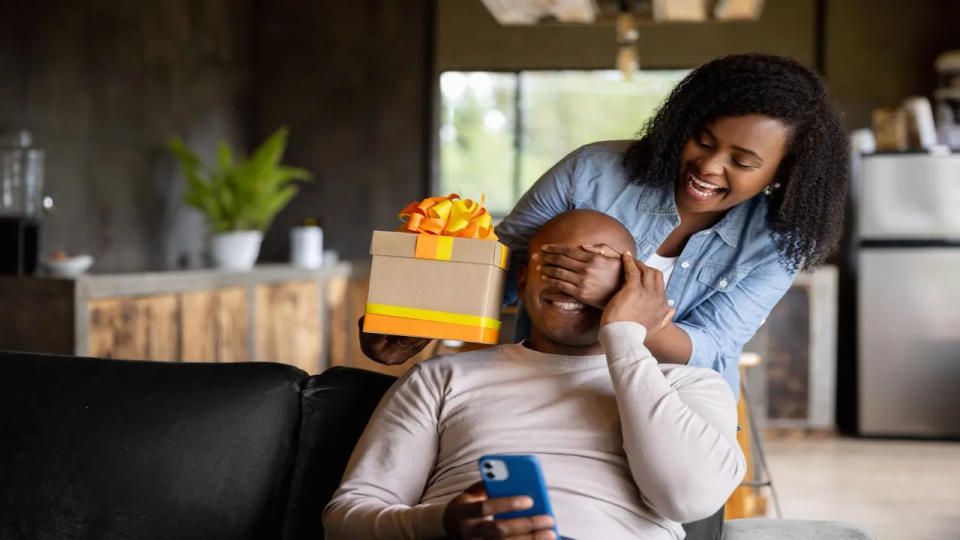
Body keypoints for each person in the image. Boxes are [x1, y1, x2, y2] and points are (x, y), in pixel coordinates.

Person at [361, 53, 850, 395]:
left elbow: (714, 348)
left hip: (672, 401)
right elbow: (503, 267)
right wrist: (413, 318)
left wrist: (619, 300)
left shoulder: (777, 242)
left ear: (783, 172)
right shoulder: (593, 173)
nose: (708, 167)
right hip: (547, 382)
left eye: (742, 162)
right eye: (703, 141)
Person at [325, 210, 746, 540]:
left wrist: (625, 337)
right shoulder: (441, 377)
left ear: (636, 287)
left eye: (596, 267)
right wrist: (444, 522)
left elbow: (689, 497)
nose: (573, 284)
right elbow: (345, 521)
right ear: (523, 279)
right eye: (556, 264)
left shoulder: (689, 385)